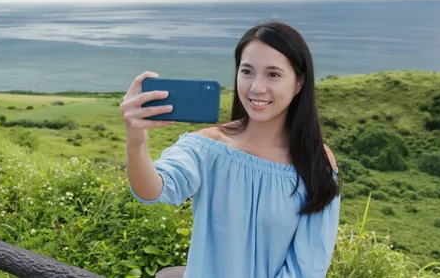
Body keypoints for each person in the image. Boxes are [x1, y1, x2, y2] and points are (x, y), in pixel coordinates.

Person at [120, 21, 341, 278]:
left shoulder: (316, 161)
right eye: (247, 71)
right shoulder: (209, 146)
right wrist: (136, 140)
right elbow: (153, 190)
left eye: (273, 74)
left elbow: (308, 267)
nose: (256, 87)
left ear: (299, 83)